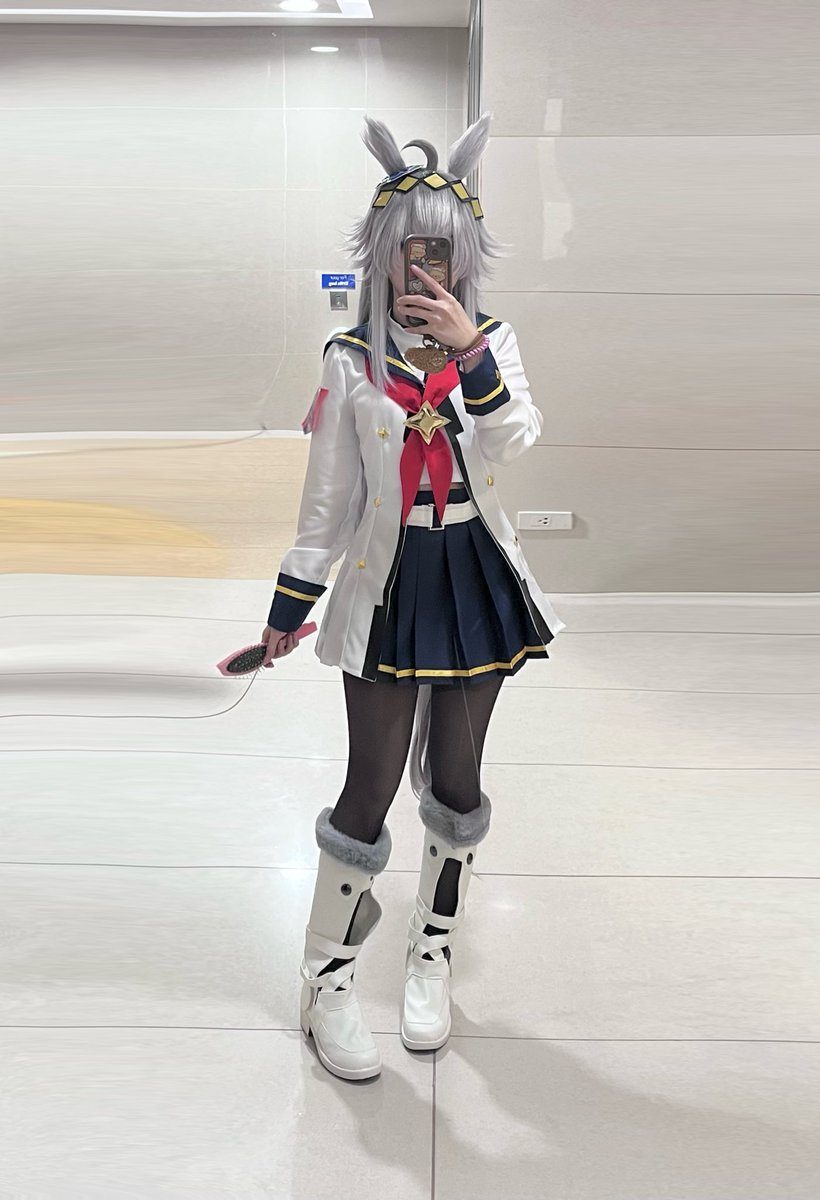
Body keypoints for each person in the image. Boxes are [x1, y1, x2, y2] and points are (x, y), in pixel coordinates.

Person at [260, 113, 566, 1082]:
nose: (426, 267)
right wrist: (287, 608)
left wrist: (471, 354)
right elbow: (328, 504)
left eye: (443, 248)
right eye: (410, 249)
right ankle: (327, 978)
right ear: (385, 252)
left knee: (459, 784)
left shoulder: (495, 343)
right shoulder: (350, 360)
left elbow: (514, 440)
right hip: (386, 584)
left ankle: (431, 956)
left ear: (465, 252)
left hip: (474, 573)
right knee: (370, 784)